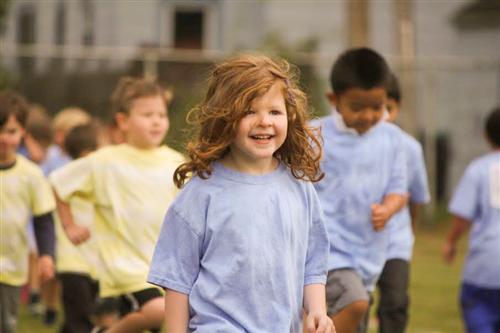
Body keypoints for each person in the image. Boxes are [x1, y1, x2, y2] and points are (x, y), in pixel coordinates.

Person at [148, 54, 335, 333]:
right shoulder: (201, 194)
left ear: (289, 116)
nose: (264, 121)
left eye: (274, 112)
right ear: (225, 117)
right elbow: (177, 278)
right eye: (249, 111)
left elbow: (313, 262)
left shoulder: (300, 188)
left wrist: (317, 311)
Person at [49, 76, 185, 333]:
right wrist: (69, 225)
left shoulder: (174, 161)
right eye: (147, 114)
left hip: (163, 265)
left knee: (172, 319)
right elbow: (58, 183)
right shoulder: (104, 161)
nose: (157, 120)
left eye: (161, 114)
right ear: (123, 121)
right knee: (159, 312)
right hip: (124, 265)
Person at [310, 48, 407, 333]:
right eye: (357, 107)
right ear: (334, 100)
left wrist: (388, 208)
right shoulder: (314, 136)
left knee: (355, 316)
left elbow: (399, 189)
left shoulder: (393, 139)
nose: (368, 116)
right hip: (325, 252)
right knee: (356, 303)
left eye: (377, 107)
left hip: (368, 256)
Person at [376, 72, 430, 333]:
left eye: (388, 108)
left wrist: (409, 232)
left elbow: (417, 197)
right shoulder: (347, 143)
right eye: (375, 107)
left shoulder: (410, 148)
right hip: (354, 244)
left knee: (395, 303)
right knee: (355, 304)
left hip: (395, 243)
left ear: (397, 108)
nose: (382, 115)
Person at [0, 90, 56, 333]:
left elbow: (43, 218)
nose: (3, 138)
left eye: (10, 131)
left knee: (6, 325)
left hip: (11, 268)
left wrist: (46, 255)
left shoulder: (31, 175)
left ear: (23, 131)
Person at [442, 107, 500, 333]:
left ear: (486, 135)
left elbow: (462, 216)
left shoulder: (478, 169)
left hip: (483, 269)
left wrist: (450, 242)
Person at [55, 122, 101, 333]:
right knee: (80, 320)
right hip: (73, 262)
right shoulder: (74, 175)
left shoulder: (96, 177)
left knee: (78, 317)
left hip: (91, 262)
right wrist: (69, 225)